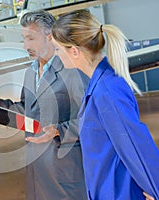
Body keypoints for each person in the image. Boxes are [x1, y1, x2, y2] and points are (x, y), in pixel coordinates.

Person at [0, 10, 88, 199]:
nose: (26, 45)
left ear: (49, 36)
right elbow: (27, 111)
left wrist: (60, 129)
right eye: (23, 39)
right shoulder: (30, 72)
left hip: (65, 171)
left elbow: (93, 119)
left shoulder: (72, 71)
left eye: (31, 38)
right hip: (37, 168)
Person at [51, 9, 159, 200]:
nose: (56, 55)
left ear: (74, 51)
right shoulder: (98, 85)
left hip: (121, 193)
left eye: (57, 49)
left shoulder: (107, 91)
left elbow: (136, 145)